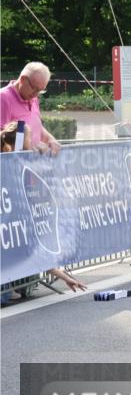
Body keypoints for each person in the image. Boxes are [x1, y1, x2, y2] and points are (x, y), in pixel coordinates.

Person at [0, 121, 86, 296]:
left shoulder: (17, 172)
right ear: (19, 142)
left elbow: (31, 247)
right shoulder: (12, 172)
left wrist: (63, 276)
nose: (33, 143)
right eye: (29, 138)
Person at [0, 62, 61, 155]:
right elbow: (2, 139)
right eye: (35, 88)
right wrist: (28, 147)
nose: (36, 94)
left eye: (41, 90)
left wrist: (50, 139)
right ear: (23, 79)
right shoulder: (3, 98)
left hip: (31, 164)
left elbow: (37, 125)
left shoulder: (32, 97)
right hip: (14, 166)